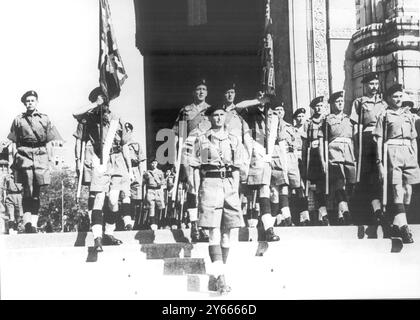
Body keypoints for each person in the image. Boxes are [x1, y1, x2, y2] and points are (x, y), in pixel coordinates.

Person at [190, 104, 245, 294]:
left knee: (227, 234)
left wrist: (235, 192)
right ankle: (221, 279)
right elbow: (200, 167)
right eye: (215, 115)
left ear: (226, 117)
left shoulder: (233, 140)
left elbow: (237, 168)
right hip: (211, 185)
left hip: (229, 185)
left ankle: (217, 275)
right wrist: (197, 189)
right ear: (210, 118)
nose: (219, 118)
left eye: (222, 115)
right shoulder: (204, 140)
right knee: (213, 232)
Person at [73, 87, 133, 252]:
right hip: (100, 160)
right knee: (98, 198)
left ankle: (109, 233)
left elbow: (125, 145)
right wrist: (95, 103)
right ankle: (97, 237)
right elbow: (75, 113)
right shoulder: (89, 119)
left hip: (117, 160)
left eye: (105, 100)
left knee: (113, 200)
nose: (104, 104)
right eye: (100, 100)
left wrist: (130, 168)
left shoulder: (116, 118)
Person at [8, 90, 62, 233]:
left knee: (37, 190)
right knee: (27, 189)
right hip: (24, 154)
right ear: (25, 103)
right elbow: (13, 141)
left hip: (40, 155)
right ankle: (27, 223)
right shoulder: (18, 119)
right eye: (28, 101)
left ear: (37, 102)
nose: (30, 103)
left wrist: (51, 160)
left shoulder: (45, 118)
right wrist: (15, 158)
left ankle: (33, 222)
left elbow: (50, 141)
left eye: (32, 100)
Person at [373, 84, 420, 243]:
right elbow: (379, 140)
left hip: (409, 154)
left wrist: (416, 159)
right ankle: (404, 227)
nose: (398, 99)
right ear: (388, 98)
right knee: (397, 189)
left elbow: (413, 139)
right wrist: (380, 162)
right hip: (392, 153)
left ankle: (395, 223)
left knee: (408, 191)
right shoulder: (384, 115)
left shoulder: (408, 115)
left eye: (400, 96)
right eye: (395, 96)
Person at [235, 92, 280, 241]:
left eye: (265, 96)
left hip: (268, 157)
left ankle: (268, 227)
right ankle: (254, 227)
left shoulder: (274, 116)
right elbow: (237, 106)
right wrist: (257, 100)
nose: (262, 99)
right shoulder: (250, 112)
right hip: (251, 156)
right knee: (249, 195)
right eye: (260, 95)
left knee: (268, 192)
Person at [172, 78, 211, 242]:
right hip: (188, 149)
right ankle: (194, 225)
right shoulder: (185, 111)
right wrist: (174, 159)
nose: (201, 92)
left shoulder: (212, 110)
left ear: (207, 92)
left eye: (203, 89)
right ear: (193, 92)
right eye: (198, 89)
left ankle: (205, 227)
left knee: (206, 188)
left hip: (205, 150)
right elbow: (178, 135)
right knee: (192, 187)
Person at [350, 72, 388, 226]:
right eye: (371, 84)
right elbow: (355, 127)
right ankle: (370, 210)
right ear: (365, 86)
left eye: (376, 84)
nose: (374, 87)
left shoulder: (383, 104)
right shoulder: (359, 102)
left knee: (379, 174)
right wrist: (356, 146)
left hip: (381, 140)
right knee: (366, 175)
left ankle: (381, 209)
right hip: (366, 139)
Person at [319, 91, 357, 225]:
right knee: (339, 182)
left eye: (342, 101)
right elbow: (322, 141)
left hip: (349, 153)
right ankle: (345, 212)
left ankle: (341, 212)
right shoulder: (327, 120)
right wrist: (323, 160)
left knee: (350, 183)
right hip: (334, 152)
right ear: (332, 104)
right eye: (337, 101)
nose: (340, 103)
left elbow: (354, 138)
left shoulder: (349, 119)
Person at [271, 104, 310, 226]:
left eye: (281, 110)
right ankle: (280, 218)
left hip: (291, 160)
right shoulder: (269, 126)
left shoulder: (290, 127)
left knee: (298, 187)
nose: (279, 112)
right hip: (277, 159)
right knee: (279, 188)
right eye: (276, 110)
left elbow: (297, 143)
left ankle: (304, 217)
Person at [304, 96, 329, 225]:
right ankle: (320, 214)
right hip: (313, 155)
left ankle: (326, 214)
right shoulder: (309, 122)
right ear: (314, 108)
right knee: (315, 186)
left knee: (326, 185)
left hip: (326, 153)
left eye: (321, 106)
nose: (319, 108)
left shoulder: (327, 121)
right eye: (317, 106)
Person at [125, 122, 146, 230]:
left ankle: (133, 222)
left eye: (128, 130)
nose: (127, 132)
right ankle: (125, 221)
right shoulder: (121, 143)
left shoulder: (136, 144)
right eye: (125, 130)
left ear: (131, 131)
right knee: (123, 196)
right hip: (123, 169)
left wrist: (141, 176)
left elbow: (142, 161)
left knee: (136, 199)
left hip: (135, 170)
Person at [143, 159, 165, 230]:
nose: (154, 164)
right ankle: (152, 223)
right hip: (150, 190)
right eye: (152, 163)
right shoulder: (147, 173)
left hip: (158, 190)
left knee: (159, 207)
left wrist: (161, 184)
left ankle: (158, 222)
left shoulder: (160, 172)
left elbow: (163, 182)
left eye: (155, 163)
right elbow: (144, 182)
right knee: (151, 206)